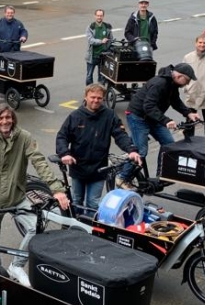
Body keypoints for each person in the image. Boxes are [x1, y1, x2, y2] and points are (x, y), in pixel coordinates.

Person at [0, 104, 68, 284]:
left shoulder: (24, 138)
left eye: (8, 117)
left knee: (35, 227)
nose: (5, 121)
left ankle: (16, 266)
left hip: (17, 197)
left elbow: (40, 163)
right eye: (1, 118)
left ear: (13, 119)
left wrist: (57, 189)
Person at [56, 84, 142, 215]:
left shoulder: (109, 115)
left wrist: (131, 150)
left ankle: (90, 230)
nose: (96, 100)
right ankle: (74, 229)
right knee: (76, 201)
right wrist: (64, 153)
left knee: (93, 203)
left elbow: (120, 135)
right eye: (92, 97)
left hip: (98, 169)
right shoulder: (75, 116)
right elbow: (62, 136)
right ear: (86, 97)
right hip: (78, 167)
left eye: (99, 98)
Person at [120, 63, 200, 184]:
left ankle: (162, 175)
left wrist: (188, 113)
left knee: (169, 144)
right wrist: (166, 120)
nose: (187, 83)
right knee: (141, 151)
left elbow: (175, 101)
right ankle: (122, 177)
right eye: (187, 80)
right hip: (138, 117)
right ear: (179, 76)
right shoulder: (160, 83)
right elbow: (148, 106)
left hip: (152, 117)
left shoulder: (172, 84)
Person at [85, 9, 112, 85]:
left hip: (103, 56)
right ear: (95, 16)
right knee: (89, 76)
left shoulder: (107, 27)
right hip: (92, 56)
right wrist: (101, 41)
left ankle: (100, 93)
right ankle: (89, 93)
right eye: (98, 15)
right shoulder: (90, 27)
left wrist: (108, 49)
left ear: (103, 16)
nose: (99, 17)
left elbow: (110, 39)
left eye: (101, 16)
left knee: (102, 76)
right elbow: (90, 40)